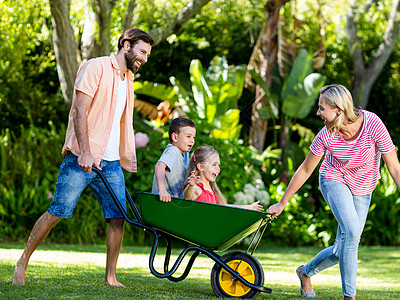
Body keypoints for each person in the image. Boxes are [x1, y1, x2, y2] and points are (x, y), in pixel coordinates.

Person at [12, 28, 154, 286]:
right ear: (126, 45)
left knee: (117, 217)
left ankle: (111, 277)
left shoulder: (128, 80)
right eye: (142, 52)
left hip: (111, 164)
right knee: (57, 212)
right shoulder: (95, 67)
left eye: (147, 54)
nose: (144, 58)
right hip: (82, 159)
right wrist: (86, 152)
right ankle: (22, 262)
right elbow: (79, 110)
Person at [267, 84, 400, 299]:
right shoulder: (325, 135)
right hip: (333, 179)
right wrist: (282, 202)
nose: (318, 112)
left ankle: (305, 272)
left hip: (363, 186)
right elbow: (305, 169)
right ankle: (349, 297)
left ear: (338, 110)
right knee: (350, 232)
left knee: (343, 249)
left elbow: (395, 168)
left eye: (322, 108)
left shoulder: (372, 124)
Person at [183, 146, 263, 211]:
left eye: (219, 165)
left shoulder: (212, 189)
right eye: (214, 165)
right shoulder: (196, 187)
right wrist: (191, 185)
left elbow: (225, 208)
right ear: (200, 167)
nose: (218, 169)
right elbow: (187, 197)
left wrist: (250, 207)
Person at [152, 118, 196, 202]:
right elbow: (159, 165)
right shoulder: (173, 151)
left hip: (175, 201)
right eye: (188, 136)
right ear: (175, 137)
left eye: (193, 137)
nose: (192, 141)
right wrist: (162, 190)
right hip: (163, 201)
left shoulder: (185, 153)